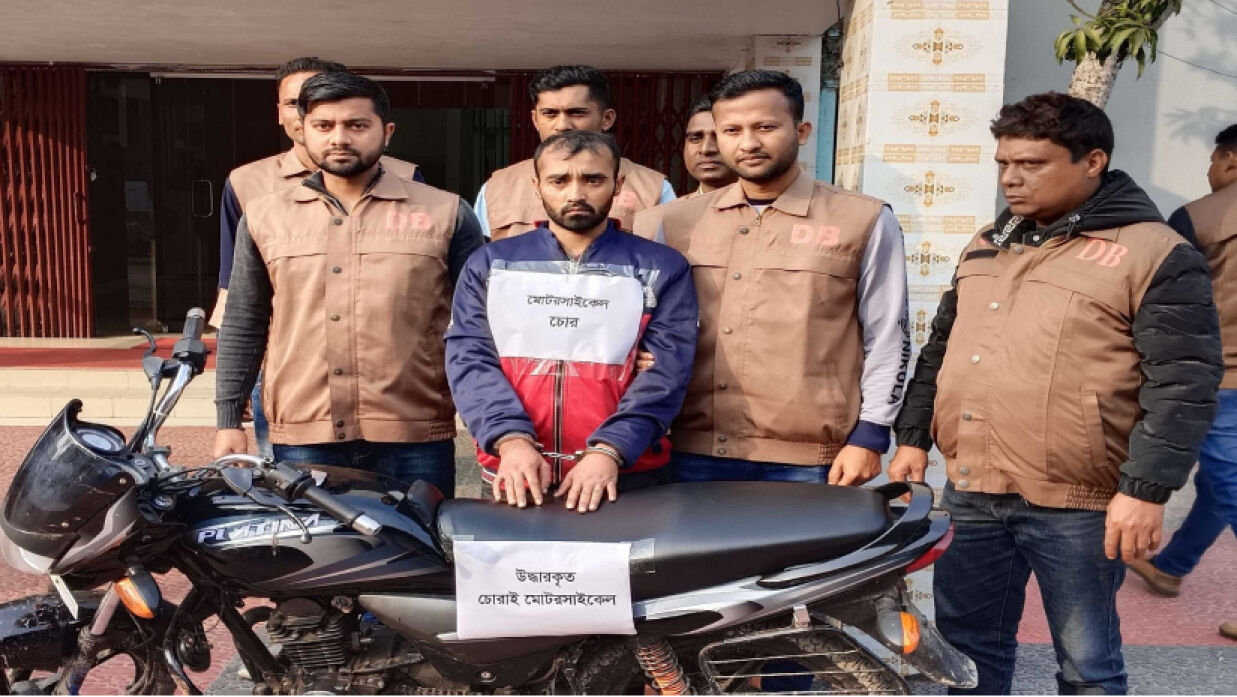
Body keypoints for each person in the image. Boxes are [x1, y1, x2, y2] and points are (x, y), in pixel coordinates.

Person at [889, 92, 1224, 693]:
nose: (1011, 179)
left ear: (1092, 161)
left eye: (1032, 164)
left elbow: (1183, 382)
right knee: (966, 652)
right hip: (974, 488)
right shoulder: (988, 242)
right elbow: (942, 346)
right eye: (1004, 163)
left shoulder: (1153, 251)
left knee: (1087, 664)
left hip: (1080, 501)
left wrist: (1145, 491)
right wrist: (913, 435)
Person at [212, 72, 484, 497]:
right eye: (324, 126)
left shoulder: (446, 213)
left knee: (420, 540)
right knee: (313, 542)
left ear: (386, 132)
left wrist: (490, 420)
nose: (339, 138)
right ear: (304, 131)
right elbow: (244, 320)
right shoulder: (265, 217)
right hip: (305, 434)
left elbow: (478, 324)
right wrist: (229, 419)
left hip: (413, 434)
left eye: (357, 125)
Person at [637, 70, 910, 488]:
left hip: (811, 459)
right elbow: (644, 324)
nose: (748, 143)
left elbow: (888, 334)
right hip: (690, 449)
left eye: (765, 127)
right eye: (732, 130)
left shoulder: (863, 219)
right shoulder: (672, 222)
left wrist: (871, 435)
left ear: (801, 131)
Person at [445, 130, 698, 513]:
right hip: (516, 470)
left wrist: (610, 450)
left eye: (593, 179)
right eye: (559, 180)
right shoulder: (492, 264)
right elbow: (469, 357)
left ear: (618, 184)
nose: (575, 193)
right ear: (537, 186)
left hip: (626, 475)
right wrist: (510, 441)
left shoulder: (661, 267)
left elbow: (667, 372)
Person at [210, 56, 424, 457]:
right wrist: (231, 402)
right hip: (293, 384)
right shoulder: (247, 185)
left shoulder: (411, 182)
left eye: (352, 122)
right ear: (283, 113)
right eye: (296, 104)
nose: (336, 134)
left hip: (393, 392)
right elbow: (238, 302)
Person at [1125, 123, 1237, 642]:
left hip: (1221, 372)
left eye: (1213, 161)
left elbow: (1167, 302)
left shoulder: (1198, 217)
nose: (1210, 171)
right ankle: (1170, 567)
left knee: (1228, 476)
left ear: (1230, 161)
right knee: (1219, 479)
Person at [474, 65, 675, 239]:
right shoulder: (497, 187)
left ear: (607, 119)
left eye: (577, 113)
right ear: (535, 120)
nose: (562, 125)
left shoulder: (653, 188)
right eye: (550, 113)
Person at [682, 95, 738, 197]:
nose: (706, 149)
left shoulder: (765, 206)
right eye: (695, 138)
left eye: (718, 137)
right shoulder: (676, 207)